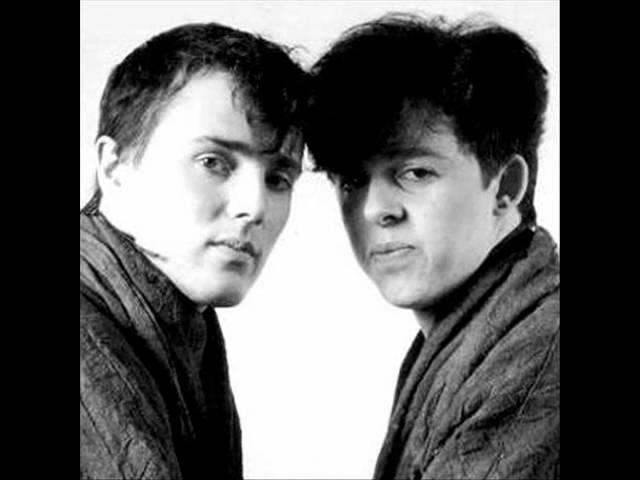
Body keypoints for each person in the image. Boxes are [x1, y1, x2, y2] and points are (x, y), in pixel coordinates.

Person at [305, 13, 559, 479]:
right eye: (353, 180)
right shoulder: (475, 331)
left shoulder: (542, 352)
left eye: (415, 172)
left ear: (506, 187)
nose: (374, 209)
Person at [80, 22, 306, 479]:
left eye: (278, 178)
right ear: (115, 167)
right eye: (212, 162)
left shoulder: (185, 325)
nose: (254, 206)